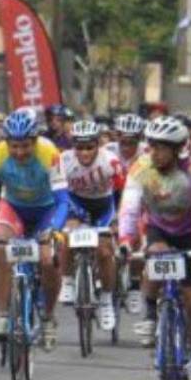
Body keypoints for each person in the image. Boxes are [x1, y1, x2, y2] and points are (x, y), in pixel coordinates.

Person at [118, 116, 191, 380]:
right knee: (156, 254)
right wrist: (126, 240)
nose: (156, 153)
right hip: (159, 229)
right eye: (152, 146)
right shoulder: (141, 168)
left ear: (178, 149)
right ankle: (151, 314)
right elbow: (129, 207)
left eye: (163, 148)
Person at [0, 108, 69, 348]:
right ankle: (5, 314)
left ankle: (47, 317)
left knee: (48, 259)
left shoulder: (50, 153)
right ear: (6, 142)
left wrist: (55, 230)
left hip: (45, 210)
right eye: (14, 146)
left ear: (35, 141)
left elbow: (63, 201)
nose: (19, 152)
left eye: (25, 146)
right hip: (13, 207)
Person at [57, 120, 124, 332]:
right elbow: (56, 194)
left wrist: (118, 219)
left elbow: (124, 193)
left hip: (104, 206)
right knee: (67, 237)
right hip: (76, 204)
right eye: (80, 148)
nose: (84, 153)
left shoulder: (110, 162)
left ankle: (105, 300)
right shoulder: (63, 161)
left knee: (104, 251)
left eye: (89, 147)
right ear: (73, 147)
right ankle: (67, 280)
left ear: (98, 146)